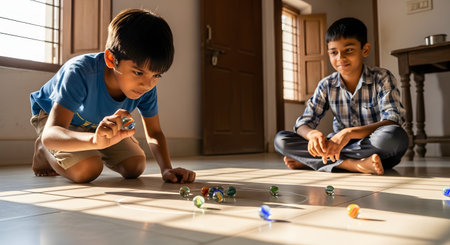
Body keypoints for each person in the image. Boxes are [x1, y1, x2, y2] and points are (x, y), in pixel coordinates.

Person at [30, 9, 196, 183]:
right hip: (54, 121)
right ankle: (43, 151)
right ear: (111, 59)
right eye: (138, 72)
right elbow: (52, 133)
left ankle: (90, 146)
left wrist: (166, 168)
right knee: (87, 170)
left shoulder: (145, 88)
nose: (147, 84)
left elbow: (154, 132)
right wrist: (94, 141)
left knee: (135, 166)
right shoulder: (80, 73)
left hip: (95, 126)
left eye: (156, 75)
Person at [274, 17, 408, 175]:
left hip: (374, 147)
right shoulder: (326, 85)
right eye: (333, 52)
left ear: (364, 50)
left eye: (348, 50)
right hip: (337, 146)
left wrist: (348, 133)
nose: (340, 58)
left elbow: (393, 120)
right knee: (280, 140)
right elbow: (303, 124)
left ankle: (313, 160)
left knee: (395, 137)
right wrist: (312, 134)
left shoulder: (382, 78)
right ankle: (354, 165)